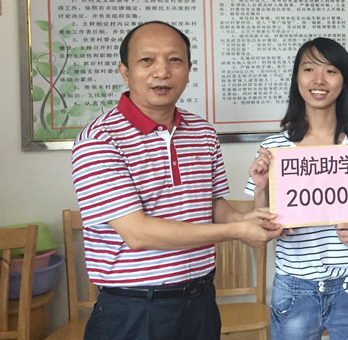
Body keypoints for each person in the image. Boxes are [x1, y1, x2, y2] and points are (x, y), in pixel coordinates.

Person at [71, 21, 284, 340]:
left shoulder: (202, 132)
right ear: (124, 72)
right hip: (135, 311)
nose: (162, 71)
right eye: (147, 60)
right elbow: (138, 233)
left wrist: (248, 218)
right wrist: (237, 231)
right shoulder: (99, 140)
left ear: (188, 70)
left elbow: (214, 207)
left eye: (174, 60)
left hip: (200, 303)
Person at [246, 37, 348, 340]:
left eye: (331, 71)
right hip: (295, 285)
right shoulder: (274, 148)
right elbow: (260, 225)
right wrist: (261, 188)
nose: (319, 80)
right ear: (297, 77)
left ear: (344, 81)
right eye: (309, 69)